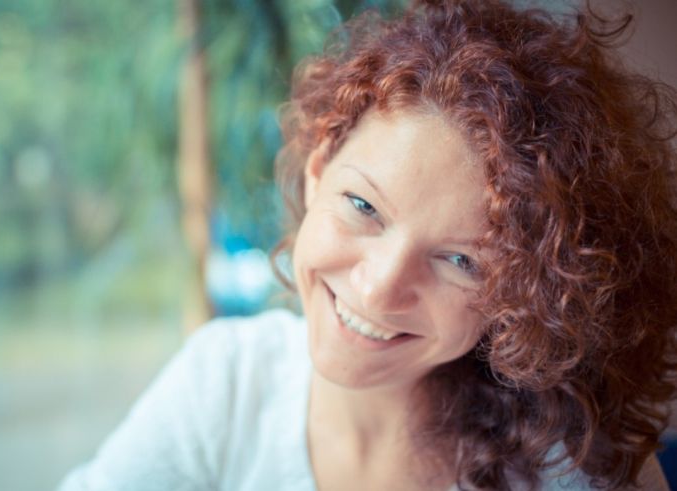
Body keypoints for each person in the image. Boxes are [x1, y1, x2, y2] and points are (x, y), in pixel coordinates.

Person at [59, 0, 677, 489]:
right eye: (364, 206)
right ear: (318, 170)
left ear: (528, 295)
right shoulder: (227, 382)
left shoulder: (568, 466)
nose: (380, 286)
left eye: (462, 261)